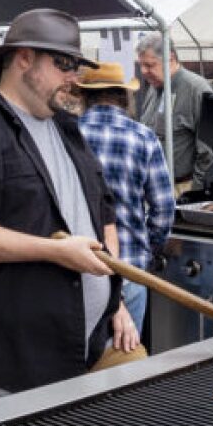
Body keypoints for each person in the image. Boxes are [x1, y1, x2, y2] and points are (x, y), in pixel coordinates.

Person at [0, 8, 139, 400]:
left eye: (75, 65)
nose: (74, 77)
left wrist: (114, 299)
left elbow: (102, 214)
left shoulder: (66, 127)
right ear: (23, 57)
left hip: (91, 344)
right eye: (64, 64)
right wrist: (55, 252)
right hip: (5, 365)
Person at [76, 62, 174, 336]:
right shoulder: (144, 137)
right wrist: (150, 247)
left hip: (77, 268)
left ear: (84, 96)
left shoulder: (67, 135)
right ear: (124, 97)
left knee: (80, 369)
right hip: (129, 267)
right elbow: (164, 208)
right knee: (125, 364)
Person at [133, 34, 213, 193]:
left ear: (170, 58)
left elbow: (210, 149)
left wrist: (193, 191)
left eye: (149, 65)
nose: (143, 71)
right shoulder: (154, 86)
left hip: (181, 188)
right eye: (141, 65)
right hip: (151, 186)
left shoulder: (196, 89)